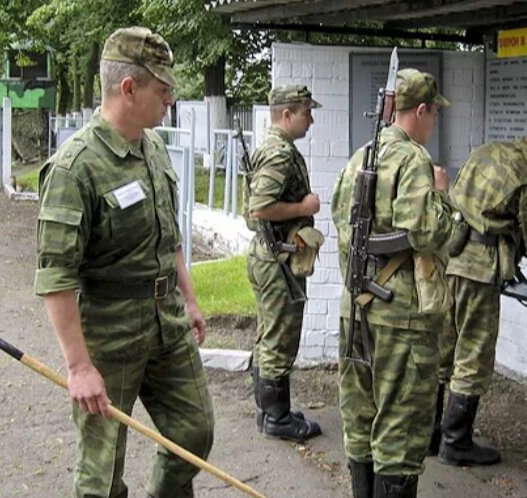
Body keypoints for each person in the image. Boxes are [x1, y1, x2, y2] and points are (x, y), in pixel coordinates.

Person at [34, 27, 214, 498]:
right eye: (163, 89)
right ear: (129, 89)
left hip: (166, 323)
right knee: (101, 474)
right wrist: (78, 367)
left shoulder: (152, 147)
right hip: (108, 336)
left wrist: (189, 299)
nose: (171, 98)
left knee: (193, 432)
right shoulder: (75, 168)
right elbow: (55, 277)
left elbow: (168, 234)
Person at [333, 68, 463, 498]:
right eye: (433, 115)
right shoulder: (413, 160)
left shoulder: (359, 156)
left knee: (361, 416)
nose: (434, 123)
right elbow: (428, 233)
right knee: (401, 430)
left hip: (356, 307)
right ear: (421, 110)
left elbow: (340, 222)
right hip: (401, 317)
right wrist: (442, 193)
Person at [431, 111, 527, 466]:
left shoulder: (485, 151)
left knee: (444, 350)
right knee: (473, 355)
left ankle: (430, 435)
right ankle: (456, 443)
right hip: (479, 272)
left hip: (449, 258)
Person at [245, 84, 323, 442]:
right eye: (307, 112)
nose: (311, 120)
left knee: (269, 332)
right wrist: (304, 209)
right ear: (287, 115)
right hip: (277, 259)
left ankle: (268, 410)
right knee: (280, 336)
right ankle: (277, 418)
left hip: (268, 254)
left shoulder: (274, 147)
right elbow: (259, 207)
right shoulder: (279, 153)